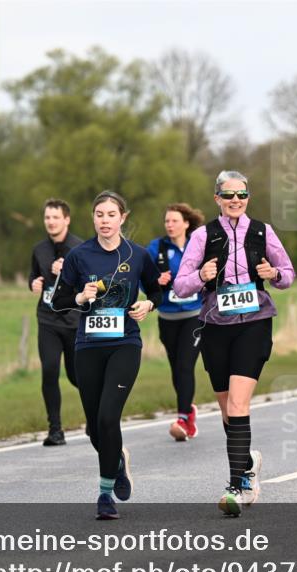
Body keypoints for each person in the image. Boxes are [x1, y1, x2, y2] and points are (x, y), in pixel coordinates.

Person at [173, 170, 295, 516]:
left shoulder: (262, 231)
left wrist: (275, 275)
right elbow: (180, 286)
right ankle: (248, 461)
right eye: (228, 196)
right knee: (229, 411)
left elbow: (288, 274)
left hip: (254, 324)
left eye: (241, 195)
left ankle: (237, 484)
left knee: (240, 404)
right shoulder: (202, 236)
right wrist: (201, 276)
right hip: (215, 326)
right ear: (217, 199)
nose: (235, 201)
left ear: (248, 198)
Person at [49, 191, 162, 519]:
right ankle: (117, 463)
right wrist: (81, 298)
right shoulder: (78, 256)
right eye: (99, 214)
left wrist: (147, 303)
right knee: (95, 427)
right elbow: (58, 301)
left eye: (111, 214)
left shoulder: (138, 255)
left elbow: (156, 290)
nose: (105, 220)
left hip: (125, 343)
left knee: (109, 417)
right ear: (93, 218)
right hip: (88, 346)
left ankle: (104, 495)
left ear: (122, 218)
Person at [147, 204, 205, 441]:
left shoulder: (198, 245)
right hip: (167, 317)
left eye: (174, 221)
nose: (170, 225)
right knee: (176, 368)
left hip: (194, 316)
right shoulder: (156, 248)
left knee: (184, 365)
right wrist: (155, 280)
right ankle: (188, 409)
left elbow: (210, 272)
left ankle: (183, 419)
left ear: (186, 223)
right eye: (167, 221)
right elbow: (143, 277)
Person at [28, 198, 83, 447]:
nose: (50, 222)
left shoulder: (79, 248)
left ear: (66, 220)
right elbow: (33, 276)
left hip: (73, 321)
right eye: (47, 218)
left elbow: (90, 283)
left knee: (77, 376)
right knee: (49, 371)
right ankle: (55, 430)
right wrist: (34, 284)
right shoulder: (39, 249)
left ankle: (95, 419)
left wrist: (68, 272)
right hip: (48, 319)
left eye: (55, 217)